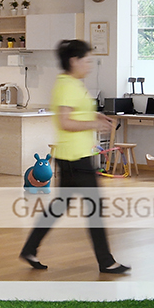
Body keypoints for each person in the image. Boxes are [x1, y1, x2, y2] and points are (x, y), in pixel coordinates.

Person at [19, 39, 129, 274]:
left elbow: (78, 114)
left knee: (60, 206)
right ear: (74, 61)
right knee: (94, 208)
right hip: (75, 158)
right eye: (86, 60)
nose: (89, 64)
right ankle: (106, 261)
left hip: (73, 157)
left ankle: (29, 249)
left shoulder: (73, 84)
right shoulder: (67, 85)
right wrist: (93, 124)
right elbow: (65, 122)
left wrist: (96, 117)